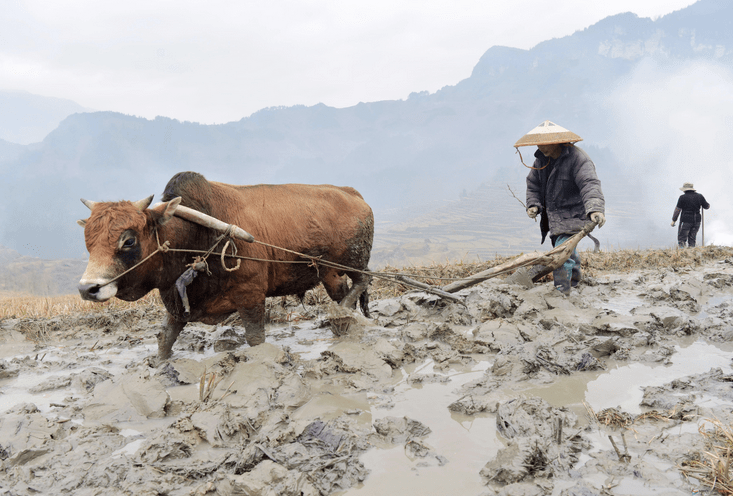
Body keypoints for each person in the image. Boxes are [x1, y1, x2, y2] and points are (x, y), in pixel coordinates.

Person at [514, 120, 605, 295]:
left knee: (561, 255)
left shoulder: (578, 159)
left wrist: (595, 208)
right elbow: (533, 185)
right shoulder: (540, 160)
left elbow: (589, 184)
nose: (541, 147)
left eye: (545, 143)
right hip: (554, 218)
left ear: (558, 141)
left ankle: (561, 292)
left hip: (573, 214)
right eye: (538, 143)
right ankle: (575, 281)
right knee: (568, 252)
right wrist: (533, 205)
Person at [671, 182, 709, 248]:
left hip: (685, 221)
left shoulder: (682, 197)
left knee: (682, 239)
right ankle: (692, 253)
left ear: (685, 190)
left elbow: (677, 210)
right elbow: (707, 206)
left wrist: (674, 220)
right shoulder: (700, 196)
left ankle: (682, 254)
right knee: (692, 238)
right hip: (697, 221)